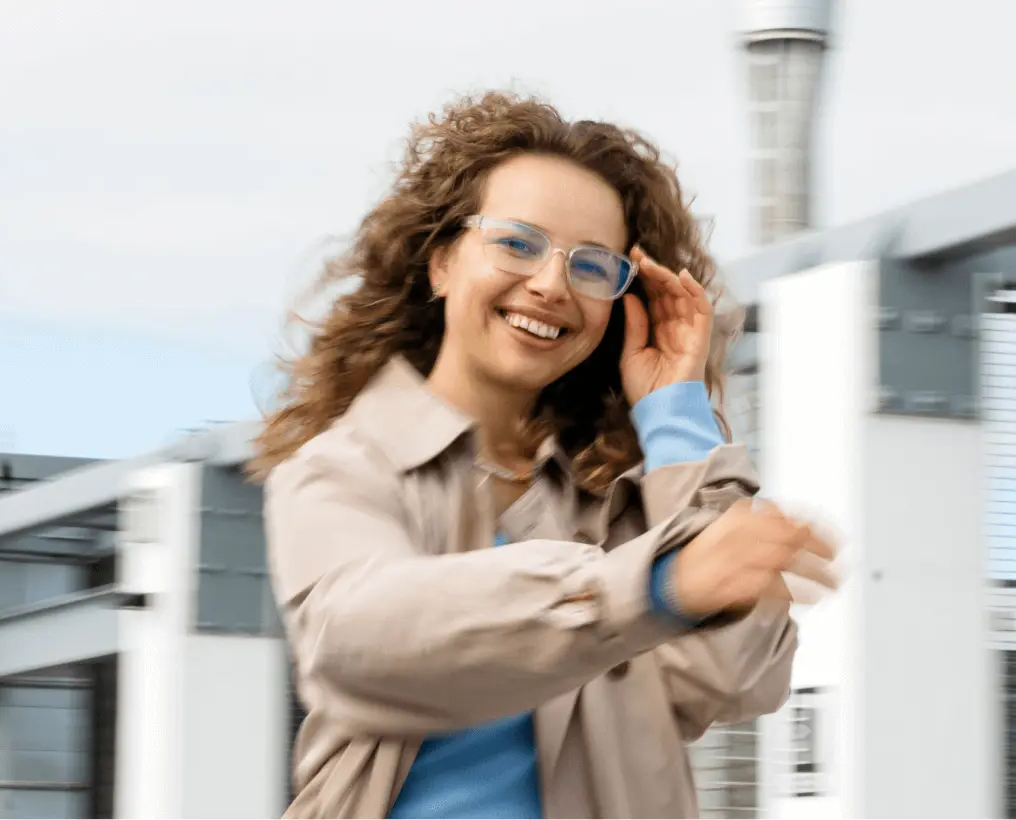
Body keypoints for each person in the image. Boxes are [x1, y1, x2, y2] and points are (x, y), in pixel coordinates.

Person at [252, 91, 838, 820]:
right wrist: (648, 588)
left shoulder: (622, 500)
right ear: (440, 261)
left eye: (592, 266)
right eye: (518, 243)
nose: (552, 285)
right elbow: (359, 646)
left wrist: (678, 416)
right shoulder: (343, 470)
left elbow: (735, 680)